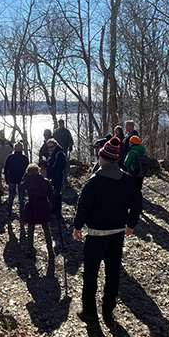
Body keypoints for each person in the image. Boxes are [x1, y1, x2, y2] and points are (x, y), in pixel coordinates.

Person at [72, 136, 143, 324]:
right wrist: (131, 224)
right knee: (112, 274)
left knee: (90, 274)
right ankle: (108, 310)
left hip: (96, 235)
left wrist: (77, 226)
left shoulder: (94, 181)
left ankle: (89, 311)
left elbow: (83, 207)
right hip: (117, 234)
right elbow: (137, 204)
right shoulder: (127, 180)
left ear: (103, 159)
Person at [20, 164, 53, 257]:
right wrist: (54, 207)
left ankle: (29, 249)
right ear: (38, 171)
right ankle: (50, 250)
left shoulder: (27, 182)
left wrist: (25, 175)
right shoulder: (45, 181)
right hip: (43, 205)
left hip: (32, 206)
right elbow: (51, 195)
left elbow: (21, 185)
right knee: (46, 228)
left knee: (31, 228)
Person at [4, 142, 29, 219]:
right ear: (22, 148)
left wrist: (6, 179)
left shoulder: (10, 157)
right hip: (21, 180)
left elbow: (5, 169)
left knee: (11, 197)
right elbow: (28, 171)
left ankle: (9, 215)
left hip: (12, 179)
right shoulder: (25, 158)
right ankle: (22, 216)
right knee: (21, 198)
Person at [45, 138, 67, 216]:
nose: (50, 148)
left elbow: (61, 166)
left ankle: (57, 211)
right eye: (49, 147)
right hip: (52, 177)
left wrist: (53, 173)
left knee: (57, 193)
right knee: (53, 194)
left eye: (52, 146)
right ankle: (54, 210)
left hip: (57, 177)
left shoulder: (59, 153)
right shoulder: (52, 154)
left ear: (56, 145)